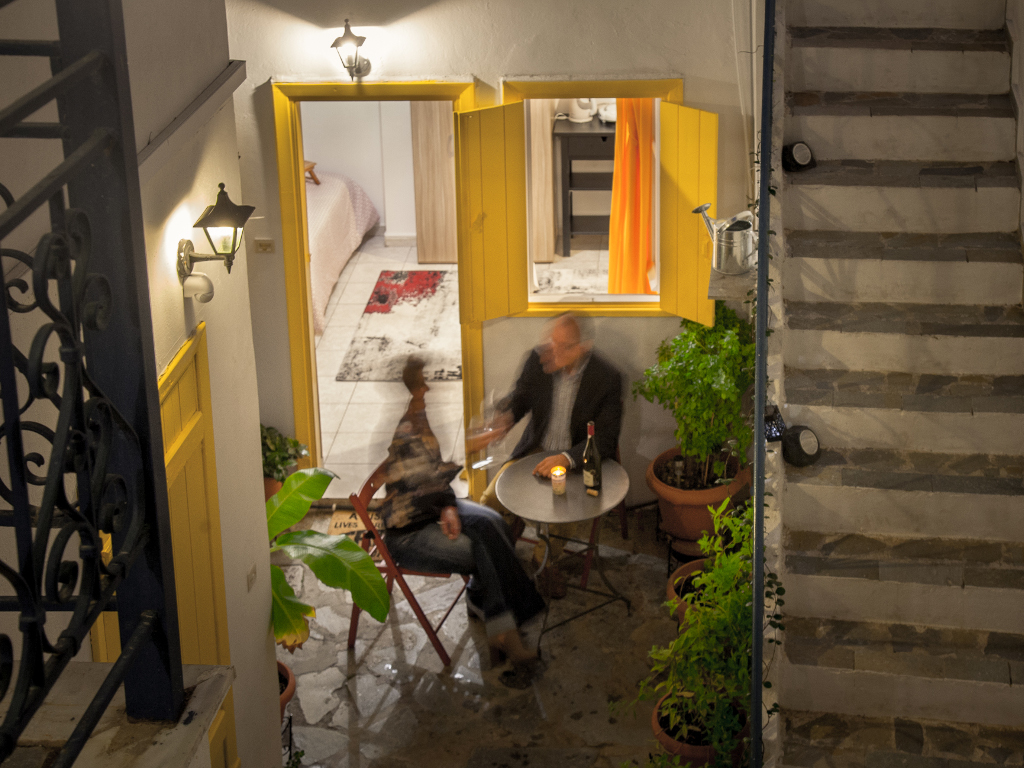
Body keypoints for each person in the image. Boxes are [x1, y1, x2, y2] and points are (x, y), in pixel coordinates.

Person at [380, 357, 546, 688]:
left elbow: (435, 470)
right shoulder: (404, 428)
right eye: (422, 382)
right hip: (409, 531)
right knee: (482, 549)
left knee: (493, 522)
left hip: (432, 506)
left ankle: (488, 599)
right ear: (410, 389)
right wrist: (448, 507)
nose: (428, 387)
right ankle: (506, 632)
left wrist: (477, 444)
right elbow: (420, 485)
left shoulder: (420, 417)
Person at [478, 313, 623, 599]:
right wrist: (506, 416)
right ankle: (494, 563)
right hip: (535, 450)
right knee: (488, 502)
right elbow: (520, 396)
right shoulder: (538, 359)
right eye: (550, 342)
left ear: (584, 347)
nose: (552, 351)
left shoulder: (607, 378)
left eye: (563, 346)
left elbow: (605, 439)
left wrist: (567, 459)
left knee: (562, 514)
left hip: (576, 460)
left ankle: (543, 562)